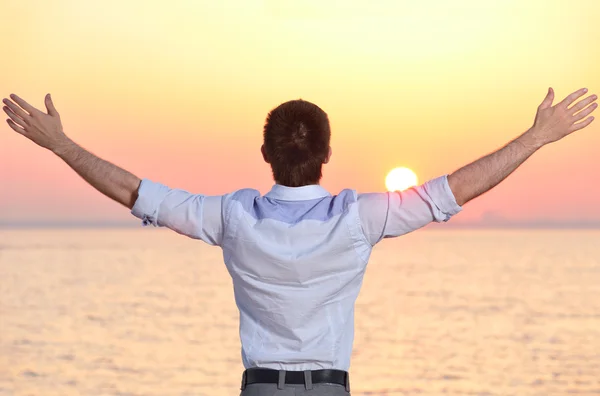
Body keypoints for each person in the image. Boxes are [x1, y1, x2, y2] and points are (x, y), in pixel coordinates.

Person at [3, 87, 597, 395]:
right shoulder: (358, 218)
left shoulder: (232, 217)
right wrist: (537, 137)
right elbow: (453, 190)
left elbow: (138, 193)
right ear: (326, 156)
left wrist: (61, 146)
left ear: (266, 155)